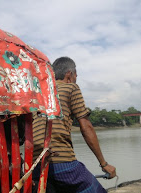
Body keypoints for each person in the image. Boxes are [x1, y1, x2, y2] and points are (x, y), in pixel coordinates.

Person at [32, 57, 116, 193]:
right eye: (76, 75)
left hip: (36, 166)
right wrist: (104, 164)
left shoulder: (39, 94)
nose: (77, 78)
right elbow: (86, 127)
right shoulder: (71, 87)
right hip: (62, 162)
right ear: (69, 74)